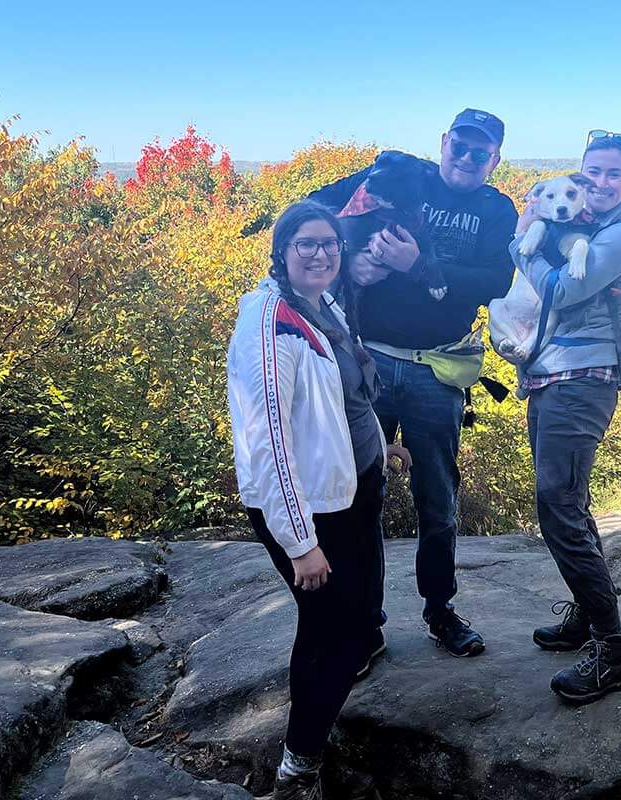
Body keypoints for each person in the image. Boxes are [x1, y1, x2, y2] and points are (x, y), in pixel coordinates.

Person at [309, 109, 518, 659]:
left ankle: (439, 609)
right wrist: (350, 264)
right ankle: (364, 623)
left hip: (438, 368)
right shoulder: (402, 174)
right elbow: (314, 215)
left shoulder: (497, 209)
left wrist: (418, 263)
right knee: (359, 498)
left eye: (481, 152)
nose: (467, 158)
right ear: (444, 142)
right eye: (460, 145)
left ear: (495, 159)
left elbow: (496, 281)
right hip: (371, 361)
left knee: (438, 499)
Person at [227, 200, 411, 799]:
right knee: (331, 634)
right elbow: (268, 439)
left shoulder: (322, 305)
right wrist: (301, 543)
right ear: (281, 250)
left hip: (349, 491)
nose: (320, 254)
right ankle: (298, 769)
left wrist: (380, 444)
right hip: (309, 506)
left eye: (330, 243)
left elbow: (346, 395)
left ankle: (311, 741)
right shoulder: (271, 324)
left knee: (352, 625)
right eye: (305, 243)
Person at [509, 130, 621, 704]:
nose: (601, 183)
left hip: (582, 381)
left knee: (558, 506)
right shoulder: (582, 226)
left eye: (614, 173)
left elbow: (562, 291)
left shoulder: (620, 237)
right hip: (551, 377)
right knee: (568, 503)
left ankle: (613, 651)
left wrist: (523, 247)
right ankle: (589, 617)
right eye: (593, 174)